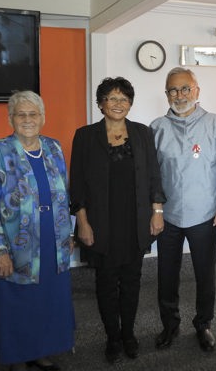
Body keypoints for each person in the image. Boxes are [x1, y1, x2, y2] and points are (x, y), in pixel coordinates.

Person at [70, 77, 166, 364]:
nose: (118, 103)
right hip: (100, 223)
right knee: (106, 283)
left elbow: (154, 176)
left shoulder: (142, 133)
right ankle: (112, 337)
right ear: (101, 103)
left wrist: (157, 212)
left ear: (130, 103)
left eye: (123, 98)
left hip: (135, 221)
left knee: (132, 281)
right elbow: (77, 184)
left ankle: (128, 334)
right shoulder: (85, 136)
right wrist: (82, 222)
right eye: (112, 98)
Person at [0, 91, 75, 371]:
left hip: (53, 239)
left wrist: (68, 233)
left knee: (46, 299)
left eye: (33, 114)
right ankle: (17, 357)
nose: (28, 120)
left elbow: (64, 193)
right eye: (21, 114)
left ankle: (41, 351)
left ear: (43, 118)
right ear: (11, 119)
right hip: (14, 243)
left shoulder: (54, 148)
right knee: (18, 302)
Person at [150, 67, 216, 352]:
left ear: (197, 90)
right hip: (168, 216)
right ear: (166, 94)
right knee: (166, 274)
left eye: (185, 88)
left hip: (205, 215)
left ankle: (204, 324)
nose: (179, 95)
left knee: (205, 274)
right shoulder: (156, 129)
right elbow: (151, 176)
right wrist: (154, 212)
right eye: (173, 90)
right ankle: (170, 324)